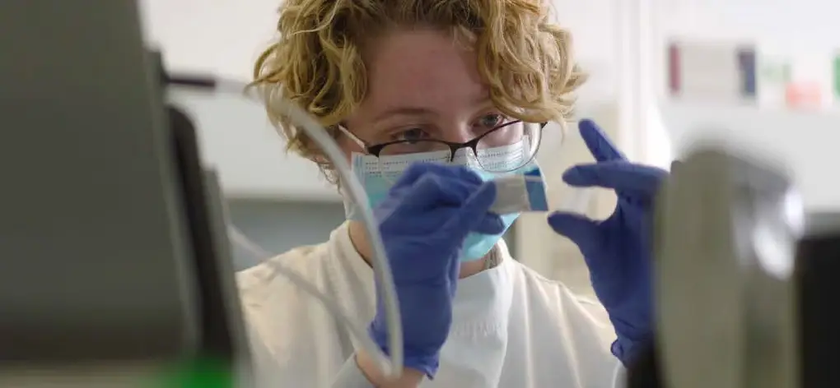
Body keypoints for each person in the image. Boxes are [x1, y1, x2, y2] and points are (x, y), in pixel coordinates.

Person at [238, 0, 668, 387]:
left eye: (490, 119)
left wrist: (670, 355)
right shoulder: (246, 329)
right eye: (412, 133)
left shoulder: (596, 348)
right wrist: (389, 368)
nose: (467, 163)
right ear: (325, 145)